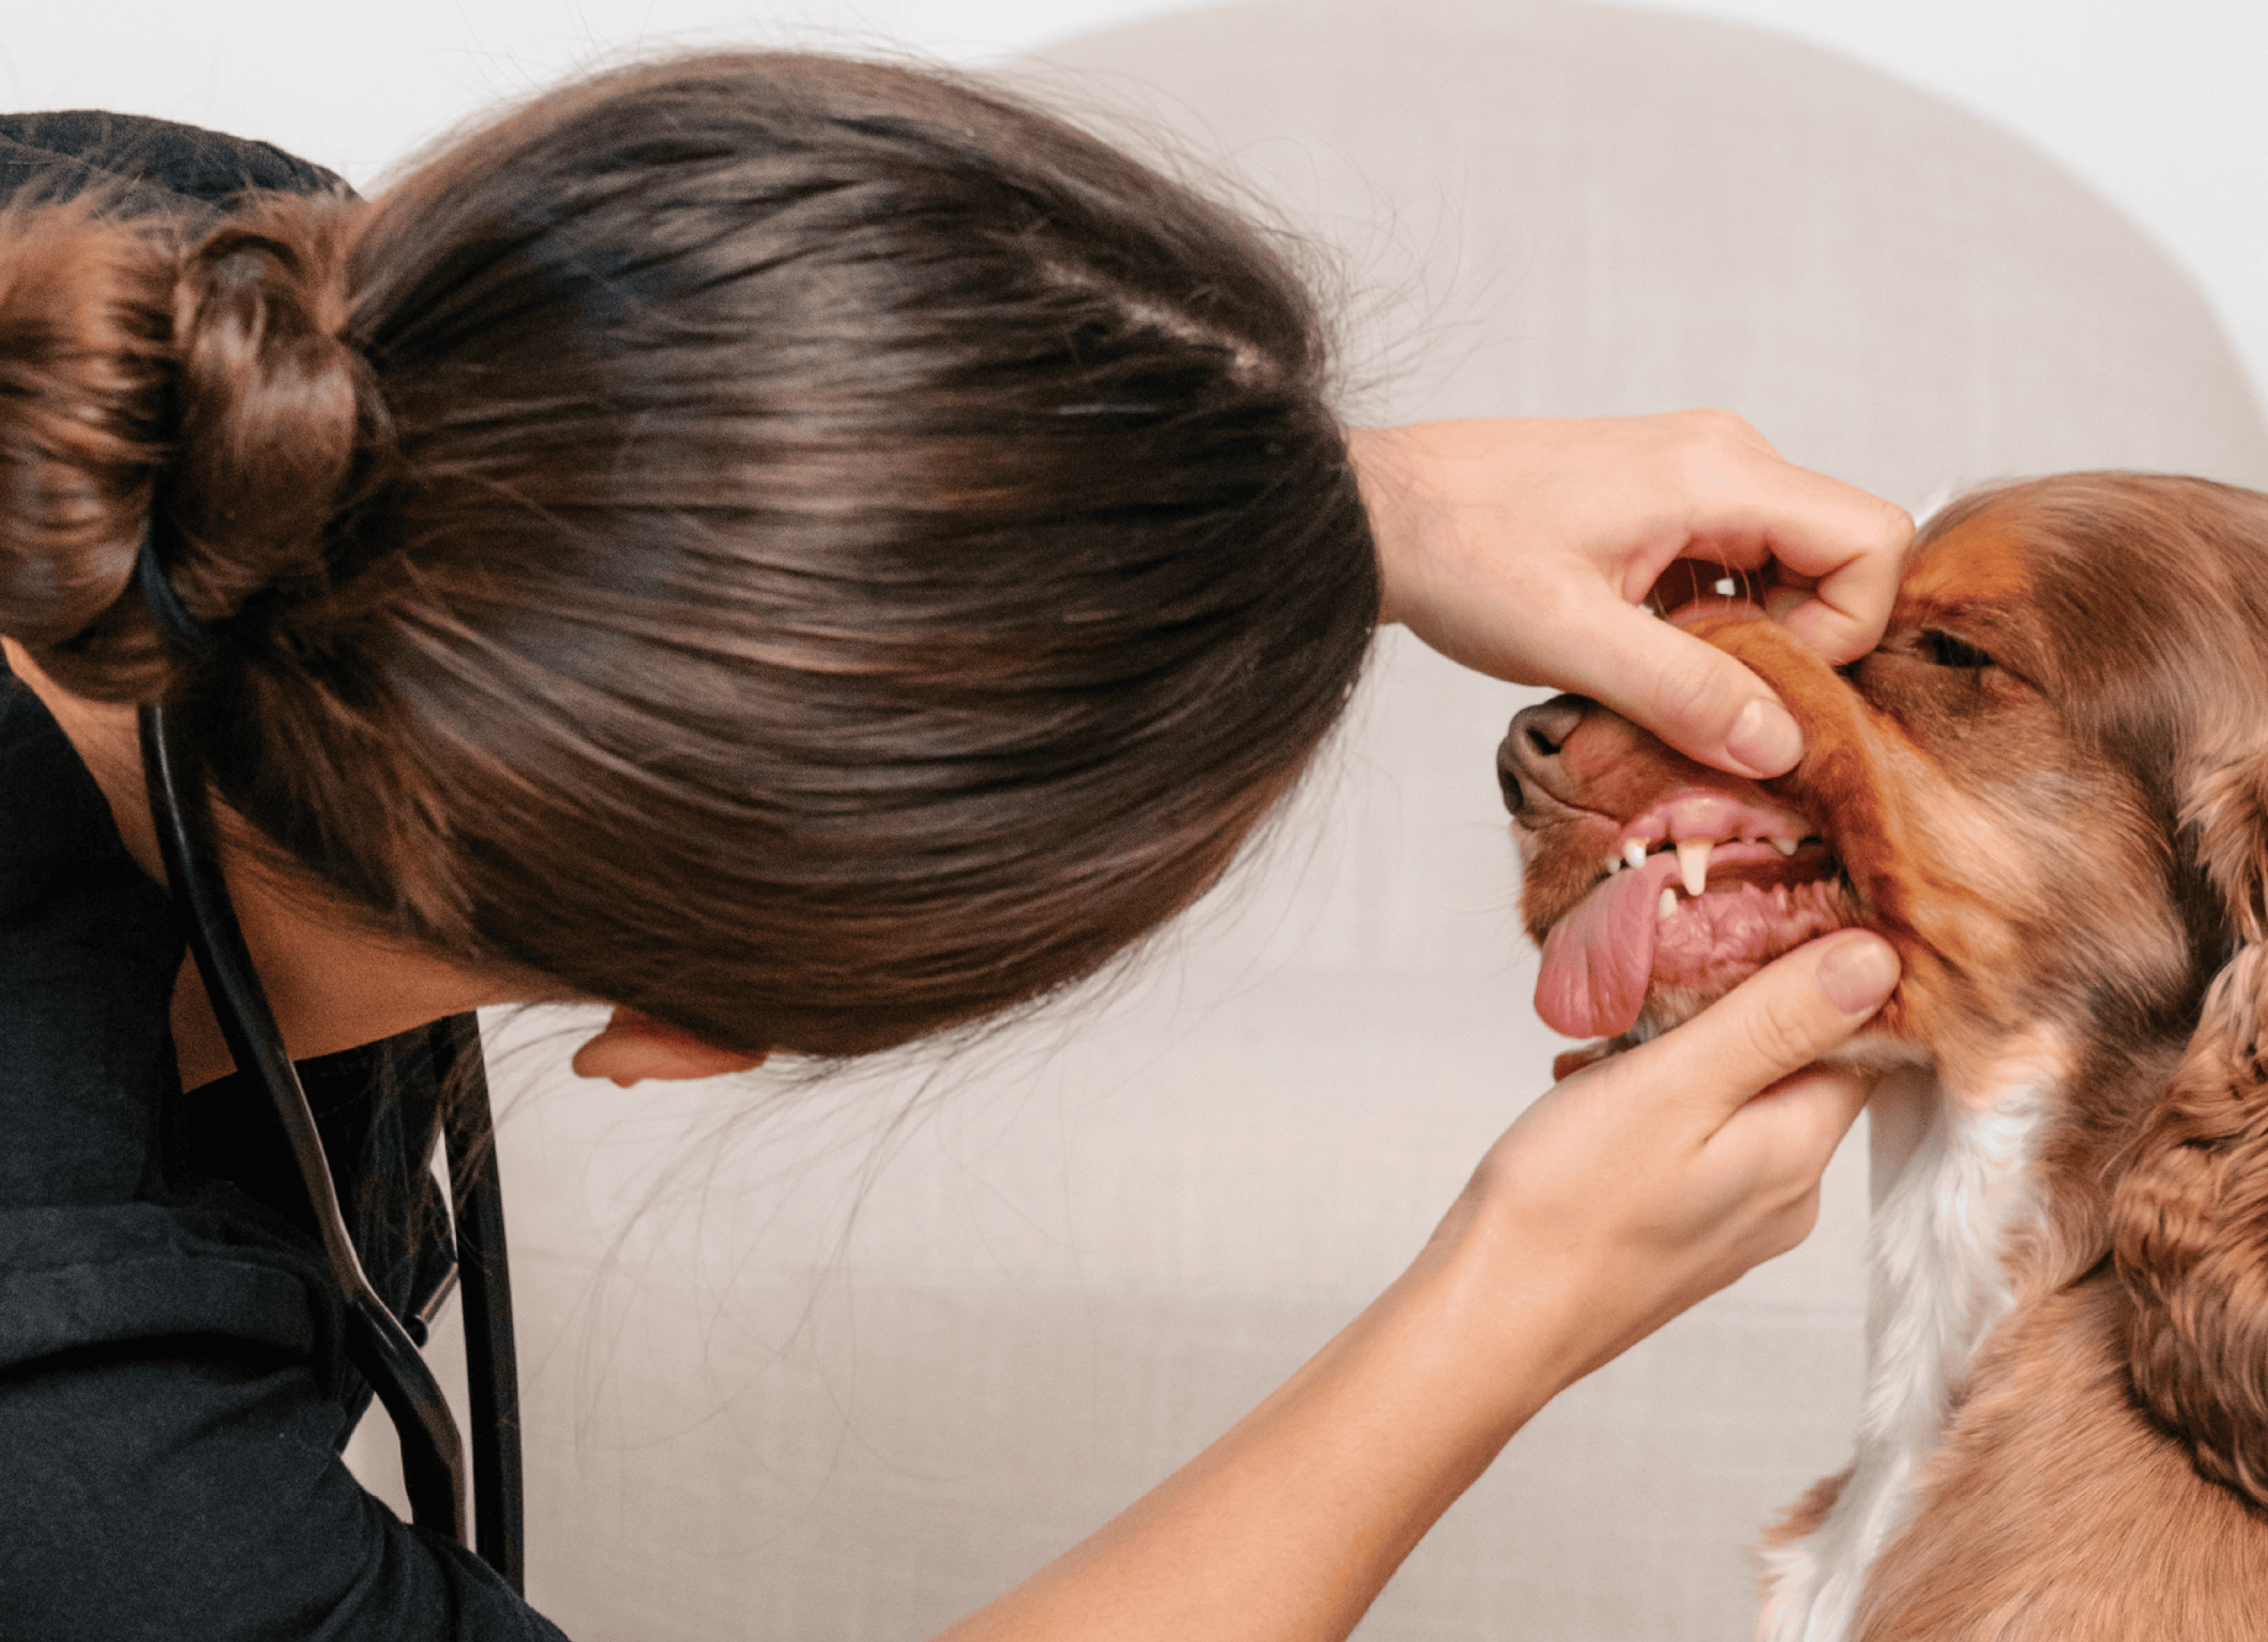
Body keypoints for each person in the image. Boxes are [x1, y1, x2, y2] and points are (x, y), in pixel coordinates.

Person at [0, 54, 1908, 1642]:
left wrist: (1313, 493)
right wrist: (1514, 1304)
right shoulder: (78, 1434)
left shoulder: (184, 280)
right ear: (701, 1029)